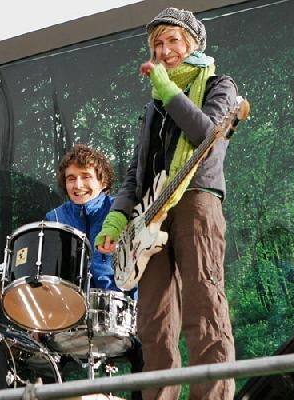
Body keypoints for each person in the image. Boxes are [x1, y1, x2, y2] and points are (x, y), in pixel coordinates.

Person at [96, 8, 237, 400]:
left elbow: (206, 136)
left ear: (192, 44)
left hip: (196, 201)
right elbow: (135, 173)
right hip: (149, 218)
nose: (164, 49)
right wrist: (115, 220)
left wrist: (168, 89)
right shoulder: (153, 106)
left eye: (173, 40)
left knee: (203, 307)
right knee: (154, 323)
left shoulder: (219, 85)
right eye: (157, 43)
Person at [46, 144, 142, 397]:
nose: (78, 185)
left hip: (121, 312)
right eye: (71, 178)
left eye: (86, 176)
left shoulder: (121, 212)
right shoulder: (54, 218)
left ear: (103, 180)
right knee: (41, 359)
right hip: (69, 315)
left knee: (147, 354)